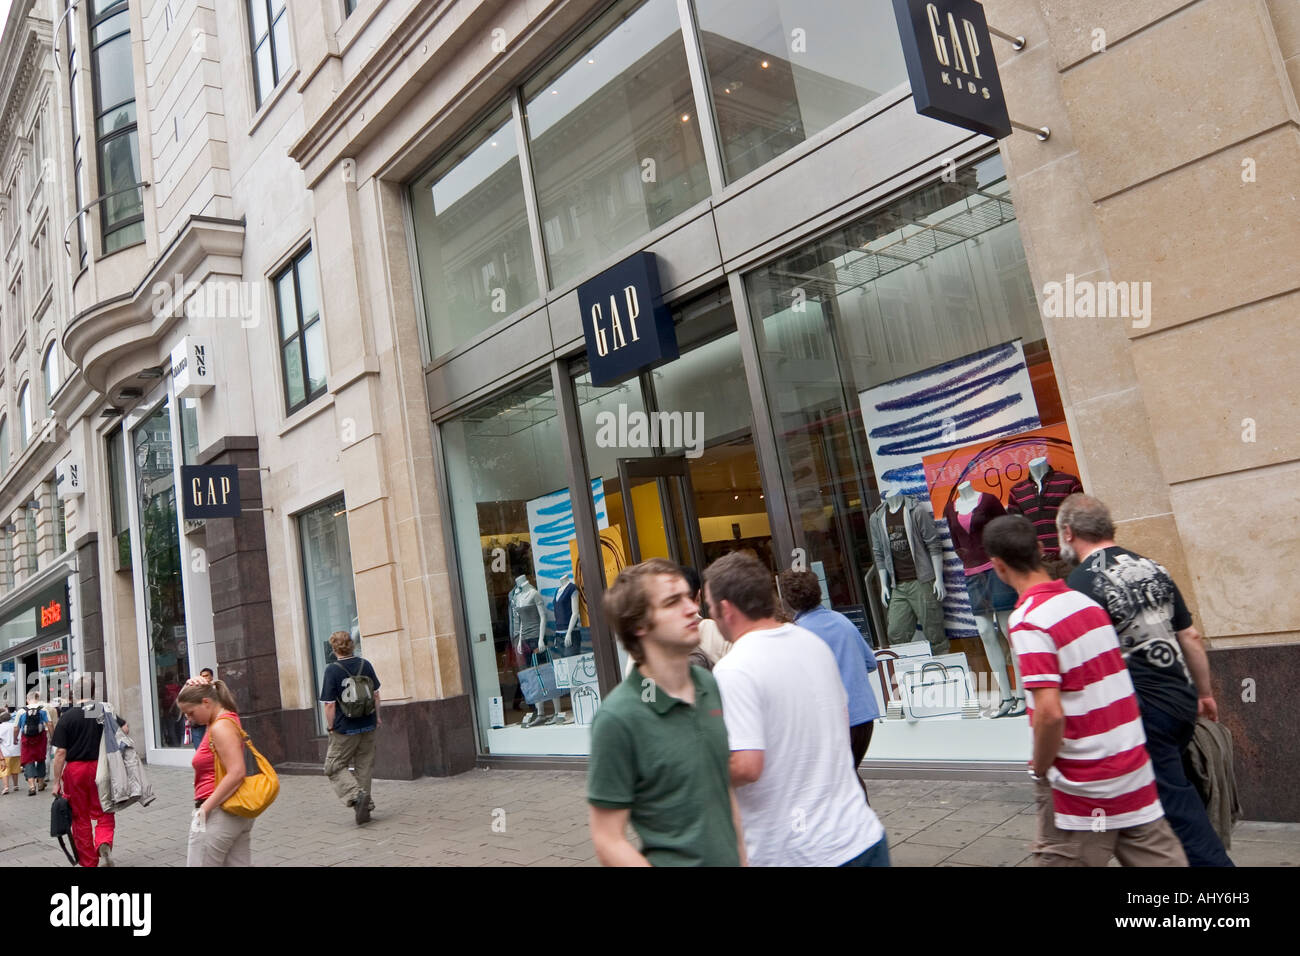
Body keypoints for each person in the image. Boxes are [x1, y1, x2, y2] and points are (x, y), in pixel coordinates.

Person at [983, 515, 1187, 866]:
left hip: (1082, 783)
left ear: (997, 566)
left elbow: (1049, 713)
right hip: (1131, 767)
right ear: (1041, 549)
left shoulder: (1029, 620)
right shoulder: (1087, 604)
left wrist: (1041, 767)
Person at [1055, 494, 1233, 867]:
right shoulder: (1154, 568)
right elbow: (1190, 637)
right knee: (1178, 791)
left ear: (1069, 533)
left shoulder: (1078, 586)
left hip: (1142, 711)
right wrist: (1205, 694)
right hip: (1181, 699)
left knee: (1177, 807)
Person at [706, 552, 889, 866]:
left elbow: (747, 766)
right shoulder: (812, 644)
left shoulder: (734, 669)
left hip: (800, 852)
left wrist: (695, 765)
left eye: (709, 607)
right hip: (862, 837)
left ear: (725, 608)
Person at [588, 558, 746, 866]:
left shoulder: (707, 685)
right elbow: (607, 839)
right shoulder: (617, 718)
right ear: (639, 624)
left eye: (689, 596)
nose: (692, 608)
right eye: (673, 602)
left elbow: (723, 790)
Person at [778, 569, 880, 797]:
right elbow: (870, 662)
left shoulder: (798, 634)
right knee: (846, 774)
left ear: (787, 601)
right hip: (864, 716)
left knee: (840, 778)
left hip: (835, 720)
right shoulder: (842, 621)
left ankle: (864, 828)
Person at [49, 674, 128, 867]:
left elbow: (60, 752)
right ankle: (103, 841)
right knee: (105, 809)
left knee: (79, 817)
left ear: (74, 694)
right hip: (100, 768)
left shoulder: (67, 717)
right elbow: (124, 729)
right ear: (93, 692)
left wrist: (56, 781)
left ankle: (88, 862)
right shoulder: (101, 710)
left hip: (75, 772)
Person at [178, 675, 254, 866]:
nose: (189, 718)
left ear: (206, 702)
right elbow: (193, 697)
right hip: (233, 811)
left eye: (191, 713)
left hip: (218, 812)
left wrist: (204, 809)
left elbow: (237, 772)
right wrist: (189, 685)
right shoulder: (225, 717)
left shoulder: (220, 726)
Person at [320, 630, 381, 824]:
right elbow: (376, 694)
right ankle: (365, 808)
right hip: (368, 724)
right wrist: (377, 718)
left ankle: (356, 797)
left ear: (334, 648)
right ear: (352, 645)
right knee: (364, 767)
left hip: (345, 728)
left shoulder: (332, 670)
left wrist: (330, 727)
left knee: (333, 766)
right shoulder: (366, 664)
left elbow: (329, 704)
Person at [17, 691, 50, 794]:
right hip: (40, 738)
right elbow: (49, 723)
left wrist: (15, 738)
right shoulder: (43, 709)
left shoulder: (21, 711)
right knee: (41, 759)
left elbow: (15, 728)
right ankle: (40, 783)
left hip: (26, 739)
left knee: (28, 761)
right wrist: (53, 736)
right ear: (37, 699)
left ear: (27, 700)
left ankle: (31, 786)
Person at [187, 667, 215, 751]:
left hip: (212, 725)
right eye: (202, 676)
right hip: (198, 726)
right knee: (200, 751)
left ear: (211, 677)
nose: (204, 678)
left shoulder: (215, 690)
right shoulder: (196, 690)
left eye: (206, 676)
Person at [0, 710, 19, 794]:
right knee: (15, 769)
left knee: (4, 769)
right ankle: (15, 785)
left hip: (5, 752)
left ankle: (6, 787)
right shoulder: (15, 726)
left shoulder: (1, 727)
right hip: (16, 751)